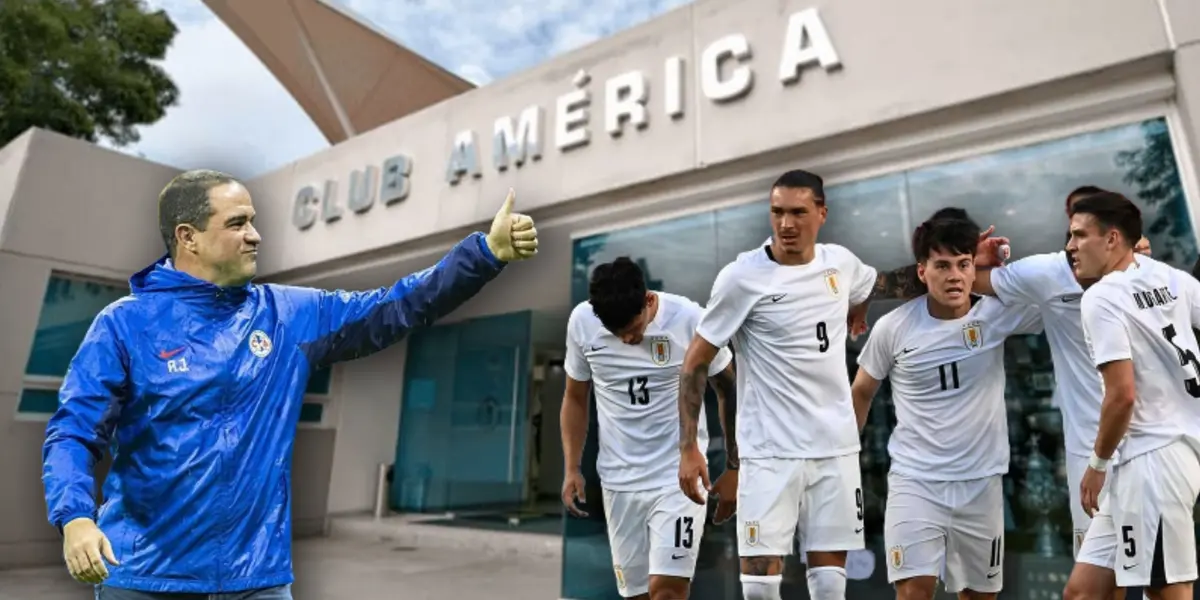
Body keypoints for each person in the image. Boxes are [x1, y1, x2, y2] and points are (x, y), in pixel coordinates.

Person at [41, 170, 538, 599]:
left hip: (257, 580)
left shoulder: (288, 315)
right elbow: (74, 431)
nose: (255, 235)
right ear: (187, 237)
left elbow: (395, 306)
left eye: (253, 221)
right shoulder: (124, 324)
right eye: (237, 223)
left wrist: (484, 254)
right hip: (145, 578)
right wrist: (76, 518)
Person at [676, 169, 996, 600]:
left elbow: (889, 283)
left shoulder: (839, 263)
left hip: (835, 450)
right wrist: (690, 447)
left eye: (798, 212)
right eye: (777, 212)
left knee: (829, 588)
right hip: (770, 453)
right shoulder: (741, 277)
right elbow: (695, 361)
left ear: (821, 213)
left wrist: (967, 256)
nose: (786, 224)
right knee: (759, 591)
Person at [867, 187, 1152, 600]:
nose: (1075, 240)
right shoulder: (1046, 276)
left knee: (1159, 583)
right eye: (1073, 229)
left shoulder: (1148, 273)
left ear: (1113, 235)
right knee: (1097, 589)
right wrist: (967, 257)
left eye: (1087, 229)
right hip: (1088, 456)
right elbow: (952, 281)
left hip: (1153, 444)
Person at [850, 212, 1043, 600]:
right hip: (915, 482)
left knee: (978, 596)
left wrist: (1128, 259)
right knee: (914, 593)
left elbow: (1061, 296)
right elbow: (861, 392)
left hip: (981, 484)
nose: (954, 275)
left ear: (975, 269)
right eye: (942, 265)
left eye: (963, 264)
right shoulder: (894, 327)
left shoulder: (998, 313)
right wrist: (844, 459)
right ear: (922, 272)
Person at [560, 257, 737, 600]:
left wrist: (734, 466)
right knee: (637, 595)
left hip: (677, 479)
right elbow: (575, 397)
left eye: (633, 327)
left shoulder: (688, 319)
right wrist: (571, 467)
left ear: (649, 301)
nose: (627, 339)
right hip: (618, 483)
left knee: (667, 592)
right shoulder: (582, 322)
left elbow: (728, 388)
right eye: (617, 333)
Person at [1062, 192, 1200, 600]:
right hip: (1151, 458)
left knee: (1166, 591)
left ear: (1112, 238)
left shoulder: (1101, 297)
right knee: (1084, 593)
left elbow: (1121, 395)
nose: (1070, 247)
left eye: (1078, 235)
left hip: (1153, 461)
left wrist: (1096, 464)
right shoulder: (1171, 277)